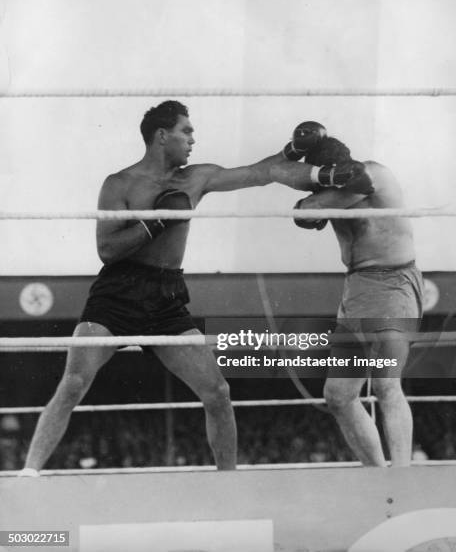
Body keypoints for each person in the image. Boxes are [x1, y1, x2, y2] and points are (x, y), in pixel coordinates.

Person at [21, 103, 371, 475]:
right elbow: (106, 249)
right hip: (117, 293)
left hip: (166, 296)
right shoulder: (119, 184)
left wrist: (310, 166)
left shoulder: (195, 179)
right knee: (74, 382)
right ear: (161, 136)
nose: (193, 139)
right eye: (186, 131)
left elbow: (260, 172)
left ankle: (227, 484)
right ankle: (27, 474)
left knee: (217, 392)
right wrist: (157, 222)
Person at [293, 136, 423, 467]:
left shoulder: (374, 174)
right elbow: (303, 215)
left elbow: (308, 211)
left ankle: (401, 480)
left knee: (386, 385)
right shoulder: (329, 195)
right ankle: (378, 475)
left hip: (393, 283)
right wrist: (315, 200)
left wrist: (315, 200)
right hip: (357, 288)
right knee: (338, 395)